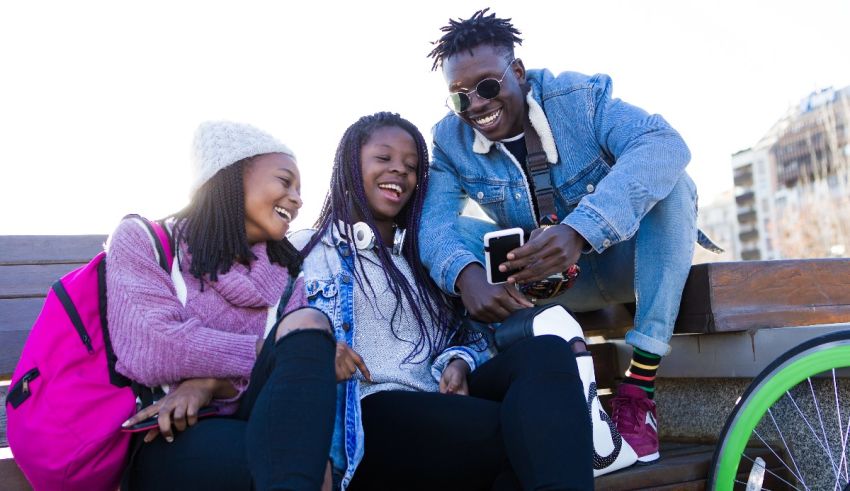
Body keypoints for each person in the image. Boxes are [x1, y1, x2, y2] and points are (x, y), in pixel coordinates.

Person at [421, 9, 714, 464]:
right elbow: (436, 227)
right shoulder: (449, 141)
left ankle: (638, 391)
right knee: (450, 234)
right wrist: (466, 277)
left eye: (487, 87)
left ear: (516, 72)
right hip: (543, 287)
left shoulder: (578, 98)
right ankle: (484, 366)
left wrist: (580, 230)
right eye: (460, 98)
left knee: (674, 185)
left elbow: (665, 144)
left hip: (622, 266)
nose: (475, 105)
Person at [291, 112, 593, 490]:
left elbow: (467, 338)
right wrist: (312, 349)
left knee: (546, 352)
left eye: (411, 166)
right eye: (383, 159)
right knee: (534, 437)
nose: (399, 171)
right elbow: (270, 334)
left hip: (441, 405)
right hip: (370, 413)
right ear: (350, 163)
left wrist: (459, 362)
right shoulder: (304, 252)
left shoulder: (426, 259)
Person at [108, 121, 337, 490]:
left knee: (309, 323)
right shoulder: (145, 240)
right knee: (301, 465)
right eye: (284, 181)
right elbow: (152, 346)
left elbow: (289, 383)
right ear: (231, 175)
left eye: (299, 189)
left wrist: (212, 383)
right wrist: (265, 352)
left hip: (260, 428)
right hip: (166, 437)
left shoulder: (289, 277)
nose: (297, 199)